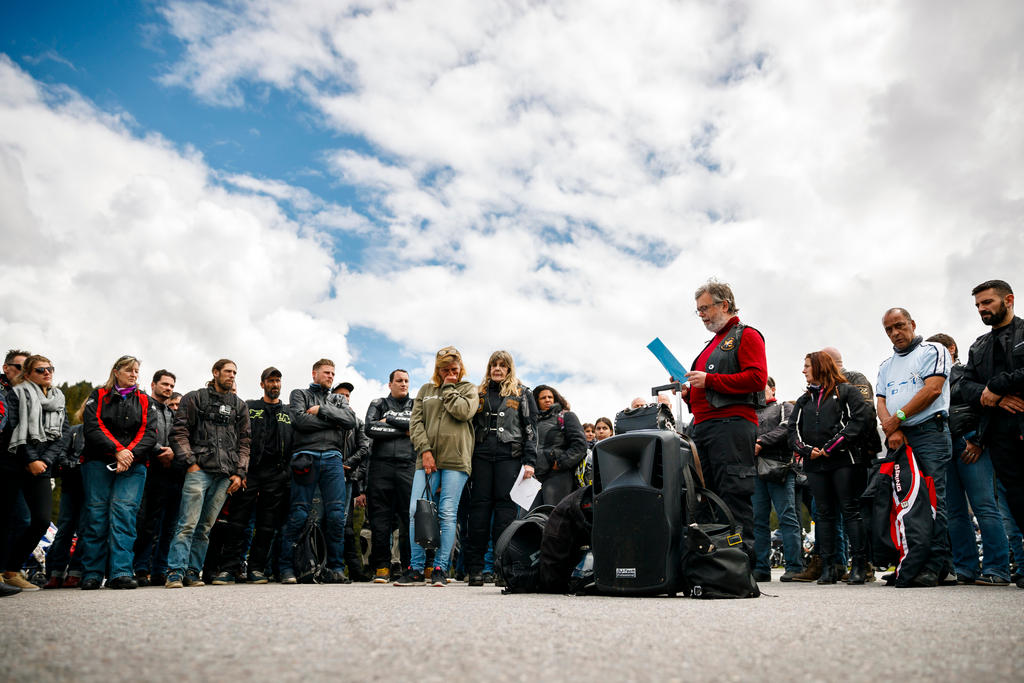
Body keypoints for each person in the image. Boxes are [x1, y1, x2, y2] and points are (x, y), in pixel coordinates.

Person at [677, 279, 767, 560]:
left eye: (704, 308)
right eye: (698, 310)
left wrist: (710, 380)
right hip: (703, 427)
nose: (701, 314)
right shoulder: (710, 345)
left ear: (724, 305)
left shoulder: (746, 335)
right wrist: (688, 393)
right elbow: (707, 391)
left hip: (731, 425)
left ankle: (744, 563)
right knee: (706, 495)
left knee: (733, 493)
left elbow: (757, 379)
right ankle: (716, 562)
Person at [876, 308, 953, 587]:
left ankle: (935, 566)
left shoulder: (934, 350)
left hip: (929, 433)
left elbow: (932, 390)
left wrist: (897, 421)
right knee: (906, 502)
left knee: (934, 501)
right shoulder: (885, 365)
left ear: (912, 324)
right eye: (889, 329)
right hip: (900, 437)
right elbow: (881, 401)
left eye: (900, 326)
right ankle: (910, 561)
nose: (895, 333)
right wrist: (892, 428)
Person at [927, 333, 1011, 586]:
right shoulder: (929, 380)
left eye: (938, 350)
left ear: (952, 349)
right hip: (944, 445)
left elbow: (987, 405)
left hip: (970, 440)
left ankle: (997, 568)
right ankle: (966, 568)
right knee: (954, 511)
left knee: (984, 506)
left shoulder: (967, 373)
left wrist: (980, 441)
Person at [958, 280, 1024, 588]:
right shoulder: (979, 345)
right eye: (978, 305)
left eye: (987, 302)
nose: (982, 309)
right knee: (1016, 501)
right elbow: (964, 386)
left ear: (1008, 300)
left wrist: (997, 386)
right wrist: (993, 395)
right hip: (997, 434)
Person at [165, 359, 250, 589]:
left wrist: (240, 473)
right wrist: (191, 462)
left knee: (205, 528)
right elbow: (179, 432)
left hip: (225, 476)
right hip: (199, 471)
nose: (232, 375)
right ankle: (175, 572)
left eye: (235, 372)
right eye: (228, 371)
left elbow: (245, 442)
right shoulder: (195, 398)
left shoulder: (239, 405)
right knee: (187, 523)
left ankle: (193, 572)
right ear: (215, 373)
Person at [788, 352, 870, 584]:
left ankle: (860, 566)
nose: (803, 370)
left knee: (850, 510)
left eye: (807, 366)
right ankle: (828, 566)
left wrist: (832, 446)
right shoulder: (804, 401)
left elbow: (859, 420)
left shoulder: (847, 391)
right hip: (815, 464)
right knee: (823, 514)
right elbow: (791, 431)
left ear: (820, 367)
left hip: (844, 461)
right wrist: (807, 450)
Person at [399, 346, 477, 587]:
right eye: (445, 370)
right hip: (427, 459)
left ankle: (441, 568)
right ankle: (416, 568)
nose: (449, 373)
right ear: (437, 369)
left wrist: (450, 387)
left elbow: (463, 412)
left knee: (446, 513)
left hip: (456, 459)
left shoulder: (469, 389)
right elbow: (416, 422)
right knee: (417, 510)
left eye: (454, 369)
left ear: (460, 368)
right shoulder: (425, 390)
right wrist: (425, 450)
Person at [79, 355, 156, 590]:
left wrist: (128, 453)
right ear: (116, 371)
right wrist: (117, 451)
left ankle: (121, 571)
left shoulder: (144, 399)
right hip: (97, 462)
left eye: (136, 371)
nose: (134, 374)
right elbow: (93, 426)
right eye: (129, 370)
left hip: (134, 465)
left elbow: (149, 432)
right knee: (96, 515)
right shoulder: (98, 395)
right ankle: (92, 573)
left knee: (124, 514)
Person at [212, 367, 293, 585]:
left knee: (267, 525)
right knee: (238, 522)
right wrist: (240, 470)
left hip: (276, 475)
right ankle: (228, 568)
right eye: (270, 380)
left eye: (278, 380)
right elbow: (237, 438)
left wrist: (285, 472)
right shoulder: (249, 407)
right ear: (262, 384)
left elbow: (294, 443)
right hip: (250, 472)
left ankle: (256, 569)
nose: (275, 384)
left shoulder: (288, 412)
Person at [279, 359, 355, 585]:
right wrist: (334, 422)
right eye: (326, 372)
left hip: (333, 458)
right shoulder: (299, 394)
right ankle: (286, 567)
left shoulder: (338, 398)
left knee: (335, 516)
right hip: (305, 456)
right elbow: (300, 421)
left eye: (333, 373)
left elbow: (350, 421)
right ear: (314, 374)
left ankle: (335, 568)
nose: (331, 376)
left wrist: (322, 410)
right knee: (299, 513)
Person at [465, 350, 537, 587]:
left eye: (502, 365)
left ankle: (500, 569)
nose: (497, 369)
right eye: (493, 365)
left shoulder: (523, 392)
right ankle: (474, 569)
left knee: (505, 514)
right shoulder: (478, 392)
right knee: (479, 512)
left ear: (509, 368)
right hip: (481, 457)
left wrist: (530, 462)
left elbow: (530, 430)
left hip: (510, 458)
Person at [0, 355, 70, 592]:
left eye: (50, 368)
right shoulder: (15, 395)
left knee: (40, 521)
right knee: (11, 520)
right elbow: (12, 428)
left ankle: (12, 570)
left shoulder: (58, 398)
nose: (47, 373)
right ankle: (4, 572)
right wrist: (30, 459)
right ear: (28, 374)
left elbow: (64, 433)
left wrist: (45, 460)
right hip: (13, 465)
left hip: (42, 466)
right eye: (41, 370)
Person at [364, 369, 415, 583]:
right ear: (390, 384)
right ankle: (382, 566)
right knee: (380, 520)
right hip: (380, 467)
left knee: (408, 518)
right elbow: (370, 427)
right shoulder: (377, 402)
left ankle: (409, 566)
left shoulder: (416, 404)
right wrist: (402, 429)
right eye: (399, 381)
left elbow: (417, 426)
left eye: (406, 381)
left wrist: (389, 420)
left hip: (407, 466)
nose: (403, 384)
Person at [133, 369, 182, 586]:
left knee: (169, 524)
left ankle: (160, 569)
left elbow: (180, 438)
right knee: (146, 522)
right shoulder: (143, 405)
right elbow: (139, 432)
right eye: (165, 384)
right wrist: (158, 451)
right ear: (153, 384)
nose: (168, 389)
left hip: (172, 471)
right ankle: (141, 568)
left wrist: (173, 452)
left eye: (171, 386)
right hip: (148, 468)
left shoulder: (173, 414)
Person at [752, 377, 803, 582]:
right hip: (756, 472)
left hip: (780, 469)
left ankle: (795, 566)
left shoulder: (785, 407)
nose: (758, 392)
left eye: (762, 388)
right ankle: (761, 568)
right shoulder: (749, 412)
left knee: (787, 518)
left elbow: (786, 428)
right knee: (758, 520)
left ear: (772, 389)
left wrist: (761, 442)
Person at [44, 404, 87, 589]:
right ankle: (55, 573)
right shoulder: (75, 431)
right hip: (71, 486)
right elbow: (61, 453)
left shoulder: (103, 435)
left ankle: (75, 573)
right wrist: (75, 465)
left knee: (85, 530)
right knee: (64, 529)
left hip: (92, 488)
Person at [332, 381, 371, 581]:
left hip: (347, 478)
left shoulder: (357, 421)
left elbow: (365, 449)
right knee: (324, 522)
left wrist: (346, 464)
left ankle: (353, 570)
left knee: (346, 527)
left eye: (347, 395)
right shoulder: (327, 418)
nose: (345, 398)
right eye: (340, 395)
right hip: (325, 477)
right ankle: (327, 566)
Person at [533, 385, 587, 507]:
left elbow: (580, 444)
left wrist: (561, 463)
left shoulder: (566, 416)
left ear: (555, 399)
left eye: (550, 397)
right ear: (536, 401)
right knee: (529, 520)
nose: (547, 400)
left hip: (558, 475)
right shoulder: (532, 422)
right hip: (535, 479)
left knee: (554, 518)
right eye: (543, 398)